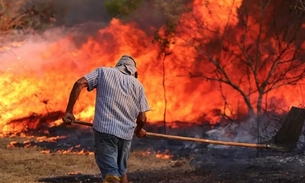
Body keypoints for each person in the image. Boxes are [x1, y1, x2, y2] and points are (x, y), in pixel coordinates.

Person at [62, 55, 150, 183]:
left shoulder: (103, 72)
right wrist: (138, 129)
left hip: (106, 131)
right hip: (126, 135)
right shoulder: (138, 86)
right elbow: (142, 119)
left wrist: (69, 111)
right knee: (121, 172)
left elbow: (80, 83)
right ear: (134, 71)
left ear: (118, 66)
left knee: (111, 175)